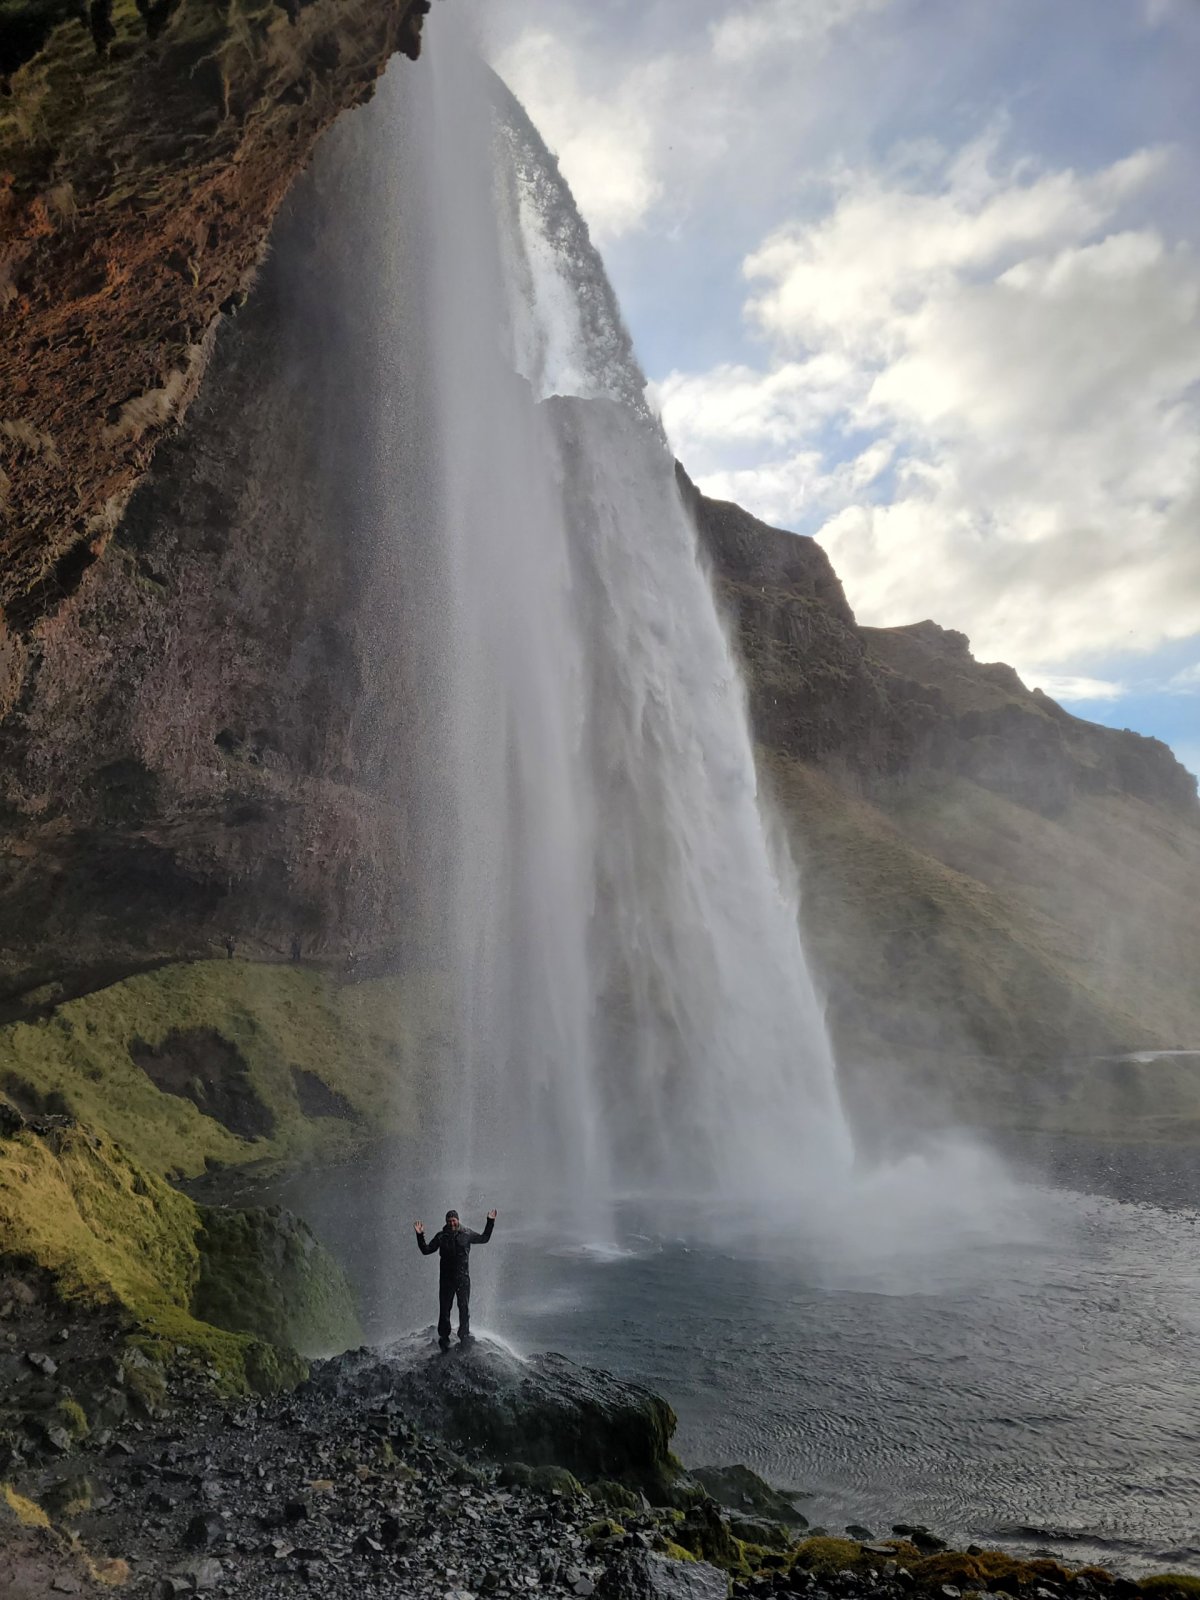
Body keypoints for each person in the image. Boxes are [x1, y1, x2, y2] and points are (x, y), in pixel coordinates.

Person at [414, 1207, 497, 1350]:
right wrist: (420, 1235)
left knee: (463, 1308)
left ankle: (464, 1335)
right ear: (446, 1222)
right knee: (445, 1309)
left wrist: (490, 1221)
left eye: (454, 1220)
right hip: (446, 1279)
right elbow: (426, 1250)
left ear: (458, 1220)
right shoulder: (441, 1236)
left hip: (463, 1279)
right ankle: (444, 1337)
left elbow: (484, 1238)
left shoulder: (467, 1234)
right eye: (449, 1221)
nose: (452, 1223)